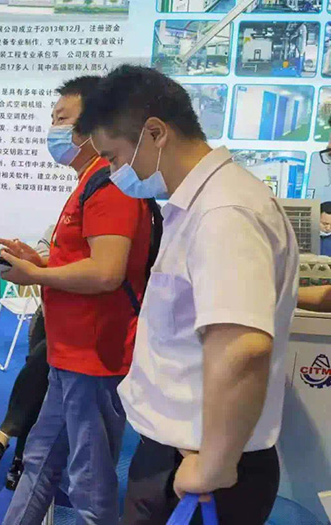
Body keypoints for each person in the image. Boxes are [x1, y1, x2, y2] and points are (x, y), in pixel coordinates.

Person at [79, 64, 299, 524]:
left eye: (114, 157)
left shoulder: (224, 212)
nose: (113, 173)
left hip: (201, 468)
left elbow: (242, 349)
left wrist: (213, 467)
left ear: (155, 133)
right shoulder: (202, 203)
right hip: (187, 453)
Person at [0, 76, 154, 525]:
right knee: (39, 461)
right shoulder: (89, 183)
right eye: (53, 118)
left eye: (63, 119)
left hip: (94, 358)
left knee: (90, 483)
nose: (54, 129)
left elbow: (106, 272)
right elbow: (84, 259)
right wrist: (40, 261)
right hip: (68, 354)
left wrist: (37, 274)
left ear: (92, 128)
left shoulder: (110, 185)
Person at [0, 224, 54, 491]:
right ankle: (20, 457)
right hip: (47, 315)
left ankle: (5, 433)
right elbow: (43, 258)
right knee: (36, 386)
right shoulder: (58, 227)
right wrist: (32, 262)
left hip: (78, 324)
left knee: (38, 374)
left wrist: (41, 268)